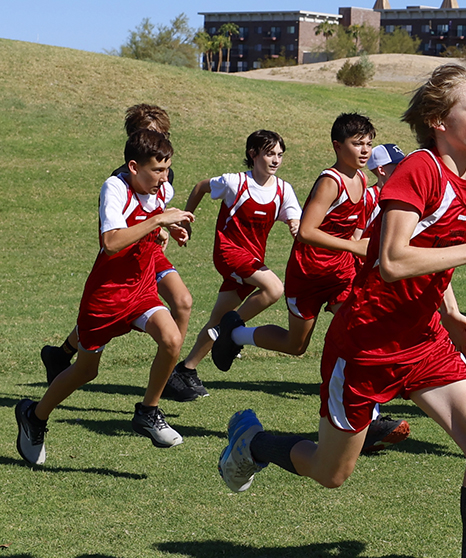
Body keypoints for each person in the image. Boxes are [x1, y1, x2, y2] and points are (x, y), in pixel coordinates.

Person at [216, 64, 466, 558]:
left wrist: (457, 306)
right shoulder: (419, 171)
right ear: (439, 122)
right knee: (331, 471)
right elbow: (391, 262)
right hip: (365, 342)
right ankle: (252, 441)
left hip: (423, 339)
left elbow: (449, 252)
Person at [212, 115, 409, 453]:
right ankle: (234, 333)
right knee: (295, 344)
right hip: (307, 274)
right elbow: (306, 231)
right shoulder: (330, 181)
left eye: (368, 143)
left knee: (360, 333)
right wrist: (354, 247)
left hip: (341, 275)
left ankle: (369, 419)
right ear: (337, 145)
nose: (364, 150)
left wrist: (363, 257)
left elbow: (359, 233)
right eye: (356, 143)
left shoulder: (363, 182)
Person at [16, 130, 194, 464]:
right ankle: (35, 415)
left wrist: (170, 228)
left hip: (140, 290)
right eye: (157, 170)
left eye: (167, 169)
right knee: (85, 371)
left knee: (172, 339)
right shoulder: (115, 188)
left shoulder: (161, 189)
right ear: (133, 166)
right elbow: (110, 242)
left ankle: (148, 411)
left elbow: (152, 220)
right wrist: (159, 219)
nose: (164, 178)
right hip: (105, 299)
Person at [41, 105, 196, 402]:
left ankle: (169, 373)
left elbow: (155, 208)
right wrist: (158, 224)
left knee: (182, 303)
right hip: (128, 252)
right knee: (105, 316)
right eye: (151, 135)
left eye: (162, 134)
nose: (159, 141)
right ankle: (60, 363)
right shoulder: (119, 181)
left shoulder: (164, 174)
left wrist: (168, 228)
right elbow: (116, 234)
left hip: (148, 250)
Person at [172, 130, 301, 389]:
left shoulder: (284, 189)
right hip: (228, 253)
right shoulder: (234, 182)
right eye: (269, 154)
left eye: (280, 155)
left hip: (251, 261)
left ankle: (184, 372)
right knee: (274, 289)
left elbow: (294, 217)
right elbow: (201, 187)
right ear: (253, 155)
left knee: (217, 320)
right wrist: (186, 218)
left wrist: (296, 226)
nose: (275, 160)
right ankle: (230, 333)